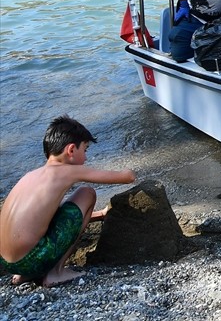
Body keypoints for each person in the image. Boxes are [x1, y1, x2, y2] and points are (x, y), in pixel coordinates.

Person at [0, 116, 136, 287]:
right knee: (86, 193)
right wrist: (130, 168)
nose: (85, 158)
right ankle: (55, 272)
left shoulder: (30, 176)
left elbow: (47, 219)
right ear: (71, 150)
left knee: (59, 208)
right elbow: (127, 177)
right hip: (33, 258)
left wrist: (100, 214)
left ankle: (24, 275)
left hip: (8, 263)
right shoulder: (67, 171)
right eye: (85, 150)